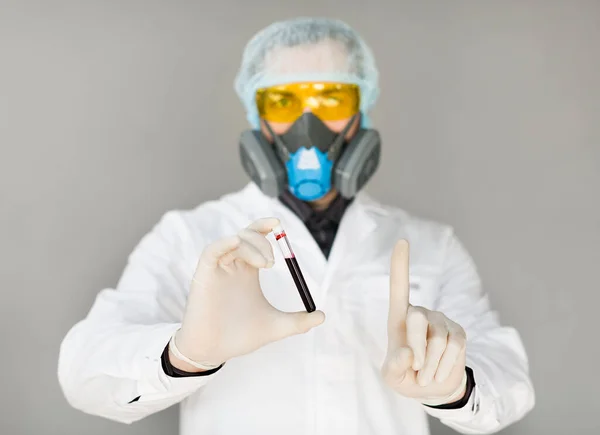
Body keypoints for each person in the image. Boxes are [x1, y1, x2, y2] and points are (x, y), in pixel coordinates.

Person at [58, 17, 535, 435]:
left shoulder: (430, 245)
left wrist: (454, 384)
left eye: (331, 97)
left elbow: (509, 383)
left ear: (361, 108)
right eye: (284, 100)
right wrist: (184, 354)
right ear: (258, 116)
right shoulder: (191, 236)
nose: (309, 123)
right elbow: (83, 373)